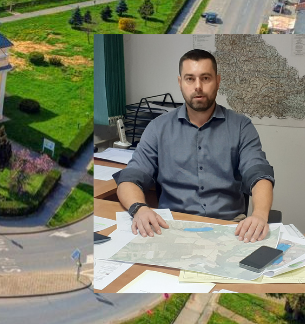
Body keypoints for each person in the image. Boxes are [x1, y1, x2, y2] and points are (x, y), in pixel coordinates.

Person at [114, 48, 275, 243]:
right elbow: (129, 179)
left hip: (229, 229)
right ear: (180, 82)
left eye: (205, 78)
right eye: (190, 79)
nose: (198, 86)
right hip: (171, 229)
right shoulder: (158, 128)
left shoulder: (241, 126)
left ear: (218, 81)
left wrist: (259, 215)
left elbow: (259, 175)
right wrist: (139, 208)